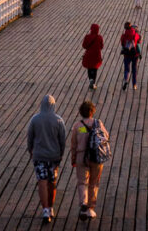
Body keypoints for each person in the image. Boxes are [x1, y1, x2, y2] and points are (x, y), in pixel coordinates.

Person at [26, 94, 67, 223]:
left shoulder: (35, 119)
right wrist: (61, 153)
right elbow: (62, 139)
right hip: (54, 156)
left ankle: (45, 210)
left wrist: (30, 150)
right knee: (52, 182)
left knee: (42, 181)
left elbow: (30, 137)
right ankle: (51, 207)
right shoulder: (58, 120)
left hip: (39, 156)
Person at [69, 100, 109, 221]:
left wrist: (73, 159)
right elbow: (106, 136)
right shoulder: (98, 123)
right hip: (96, 157)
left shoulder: (78, 126)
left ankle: (83, 204)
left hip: (82, 156)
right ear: (92, 111)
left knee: (82, 182)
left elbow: (73, 144)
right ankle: (91, 207)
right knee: (94, 182)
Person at [120, 22, 142, 90]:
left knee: (127, 69)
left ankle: (126, 80)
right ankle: (134, 85)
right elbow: (139, 42)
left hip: (127, 54)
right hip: (135, 54)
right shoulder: (136, 35)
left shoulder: (123, 35)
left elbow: (122, 44)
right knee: (134, 69)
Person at [81, 24, 103, 90]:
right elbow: (101, 46)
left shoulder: (87, 37)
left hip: (88, 55)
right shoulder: (99, 37)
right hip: (96, 56)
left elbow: (84, 46)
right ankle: (93, 83)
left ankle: (90, 80)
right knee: (95, 68)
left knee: (89, 68)